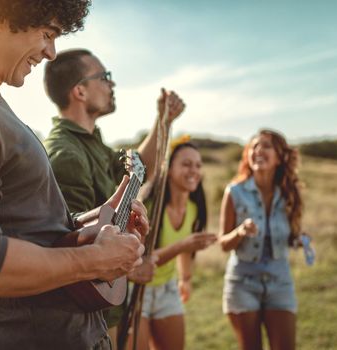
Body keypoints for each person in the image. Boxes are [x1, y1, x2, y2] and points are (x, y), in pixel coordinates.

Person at [0, 1, 149, 349]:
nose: (51, 53)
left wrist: (102, 216)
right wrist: (94, 260)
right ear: (3, 12)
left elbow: (26, 226)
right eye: (48, 34)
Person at [42, 48, 185, 339]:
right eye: (104, 77)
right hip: (90, 322)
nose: (112, 84)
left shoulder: (90, 142)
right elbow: (68, 247)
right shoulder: (66, 154)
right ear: (80, 91)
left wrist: (163, 121)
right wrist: (131, 269)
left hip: (107, 311)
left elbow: (138, 168)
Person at [219, 129, 303, 350]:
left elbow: (293, 234)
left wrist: (299, 239)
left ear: (279, 156)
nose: (258, 150)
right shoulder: (234, 192)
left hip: (280, 281)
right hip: (243, 282)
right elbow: (223, 244)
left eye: (266, 146)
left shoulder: (289, 192)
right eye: (254, 146)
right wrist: (240, 232)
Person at [136, 139, 217, 350]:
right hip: (136, 292)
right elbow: (138, 261)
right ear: (169, 169)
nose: (194, 171)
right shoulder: (150, 207)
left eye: (198, 165)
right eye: (187, 164)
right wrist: (182, 245)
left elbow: (185, 252)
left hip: (167, 290)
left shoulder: (193, 208)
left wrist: (186, 279)